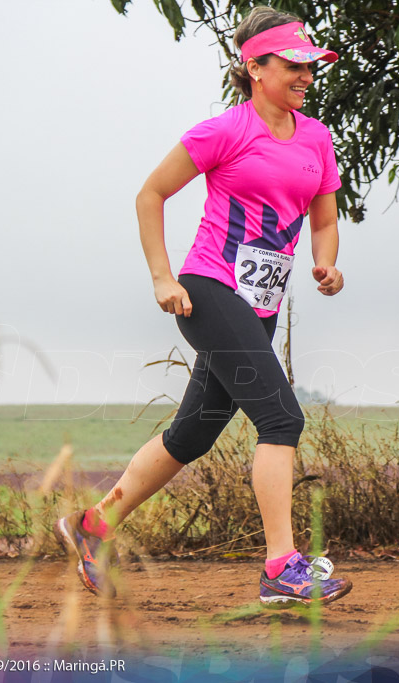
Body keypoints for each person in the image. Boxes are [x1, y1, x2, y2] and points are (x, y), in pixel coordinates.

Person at [56, 6, 352, 608]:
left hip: (259, 307)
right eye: (292, 64)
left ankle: (93, 526)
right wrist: (163, 277)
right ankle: (282, 568)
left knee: (193, 433)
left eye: (309, 65)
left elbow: (324, 219)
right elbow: (151, 194)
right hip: (209, 290)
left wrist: (328, 262)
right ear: (255, 67)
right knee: (281, 421)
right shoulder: (224, 131)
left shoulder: (317, 138)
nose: (305, 75)